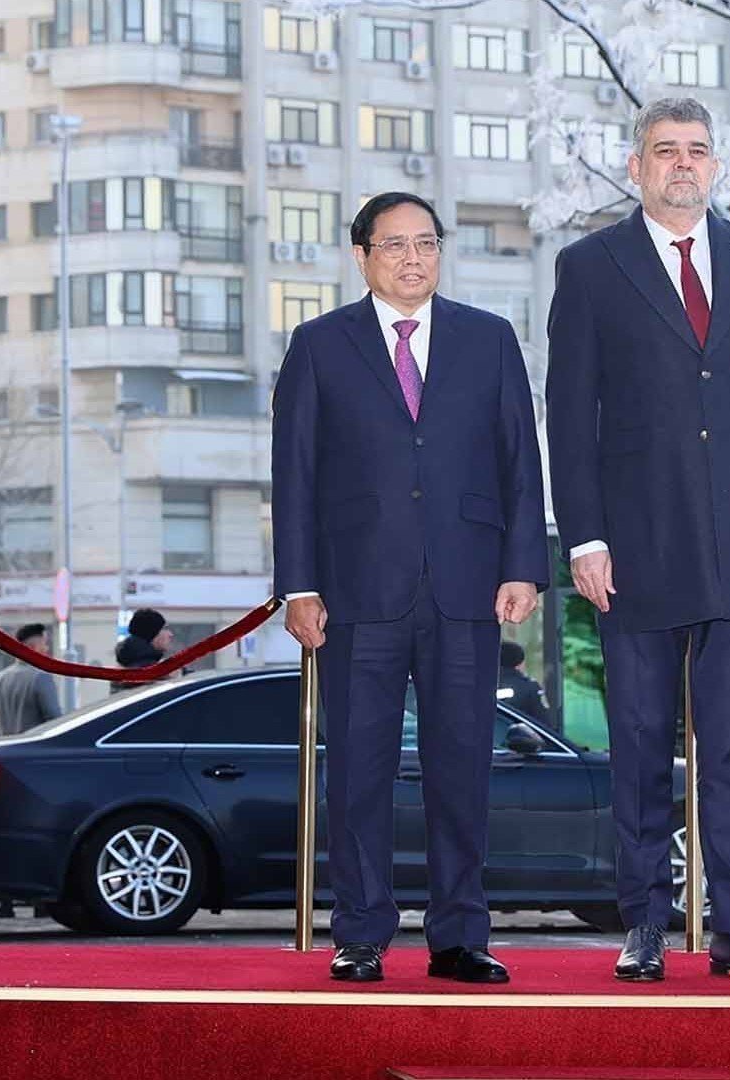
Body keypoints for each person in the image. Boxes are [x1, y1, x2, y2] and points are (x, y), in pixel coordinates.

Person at [546, 98, 730, 983]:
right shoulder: (590, 267)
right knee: (635, 740)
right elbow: (570, 414)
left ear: (715, 166)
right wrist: (583, 537)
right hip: (634, 547)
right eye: (665, 152)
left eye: (697, 152)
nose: (682, 165)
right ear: (637, 167)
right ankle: (643, 925)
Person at [272, 191, 547, 985]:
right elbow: (295, 475)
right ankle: (360, 932)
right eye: (394, 245)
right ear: (361, 256)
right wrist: (299, 586)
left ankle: (458, 934)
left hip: (467, 586)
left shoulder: (489, 340)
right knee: (358, 767)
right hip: (357, 592)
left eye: (425, 242)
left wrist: (523, 564)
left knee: (462, 766)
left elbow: (519, 462)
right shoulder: (320, 346)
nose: (412, 258)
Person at [0, 622, 62, 736]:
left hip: (5, 749)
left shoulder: (1, 678)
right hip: (34, 749)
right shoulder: (41, 677)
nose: (47, 649)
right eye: (44, 644)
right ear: (32, 648)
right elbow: (55, 721)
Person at [497, 641, 554, 736]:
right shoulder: (529, 687)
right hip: (515, 745)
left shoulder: (480, 684)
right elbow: (543, 724)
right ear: (520, 663)